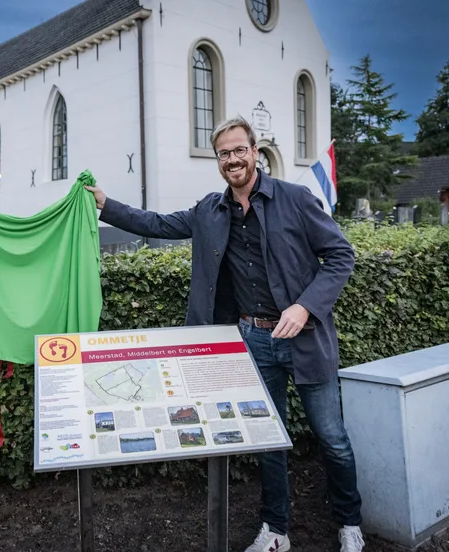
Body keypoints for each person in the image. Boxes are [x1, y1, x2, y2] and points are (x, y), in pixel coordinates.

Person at [84, 116, 364, 552]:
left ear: (255, 152)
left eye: (239, 150)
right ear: (218, 161)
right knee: (269, 440)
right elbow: (157, 224)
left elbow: (341, 255)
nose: (232, 159)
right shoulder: (210, 211)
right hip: (253, 340)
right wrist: (106, 204)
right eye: (224, 153)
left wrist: (305, 305)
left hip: (307, 339)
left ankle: (350, 523)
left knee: (332, 438)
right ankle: (276, 531)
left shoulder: (296, 199)